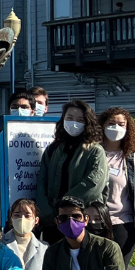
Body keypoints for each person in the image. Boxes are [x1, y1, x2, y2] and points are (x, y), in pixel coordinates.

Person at [36, 100, 108, 243]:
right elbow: (41, 182)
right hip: (54, 221)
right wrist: (49, 212)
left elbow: (94, 184)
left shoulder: (95, 151)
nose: (74, 123)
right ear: (63, 119)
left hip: (82, 220)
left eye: (80, 120)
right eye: (69, 118)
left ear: (88, 123)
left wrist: (65, 205)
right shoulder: (53, 149)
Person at [99, 107, 135, 262]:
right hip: (95, 224)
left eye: (121, 124)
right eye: (111, 123)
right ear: (102, 125)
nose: (116, 128)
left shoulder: (134, 160)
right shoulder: (90, 154)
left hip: (123, 224)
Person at [2, 198, 49, 270]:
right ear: (11, 218)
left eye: (27, 215)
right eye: (17, 215)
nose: (22, 219)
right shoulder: (0, 244)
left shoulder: (44, 248)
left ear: (36, 220)